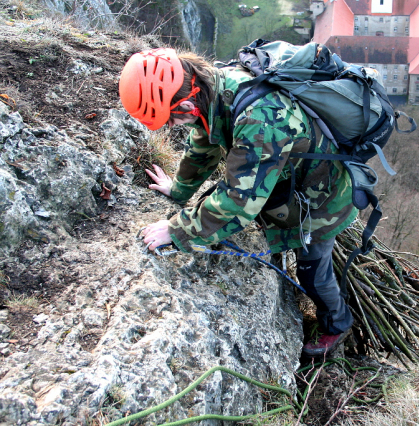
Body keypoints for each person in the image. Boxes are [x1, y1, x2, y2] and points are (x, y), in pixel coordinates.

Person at [119, 47, 355, 356]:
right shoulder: (214, 89)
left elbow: (238, 202)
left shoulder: (259, 120)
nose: (171, 127)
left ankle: (337, 325)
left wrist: (176, 230)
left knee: (312, 271)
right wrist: (178, 190)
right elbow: (203, 147)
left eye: (170, 121)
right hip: (287, 181)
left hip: (323, 200)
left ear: (188, 105)